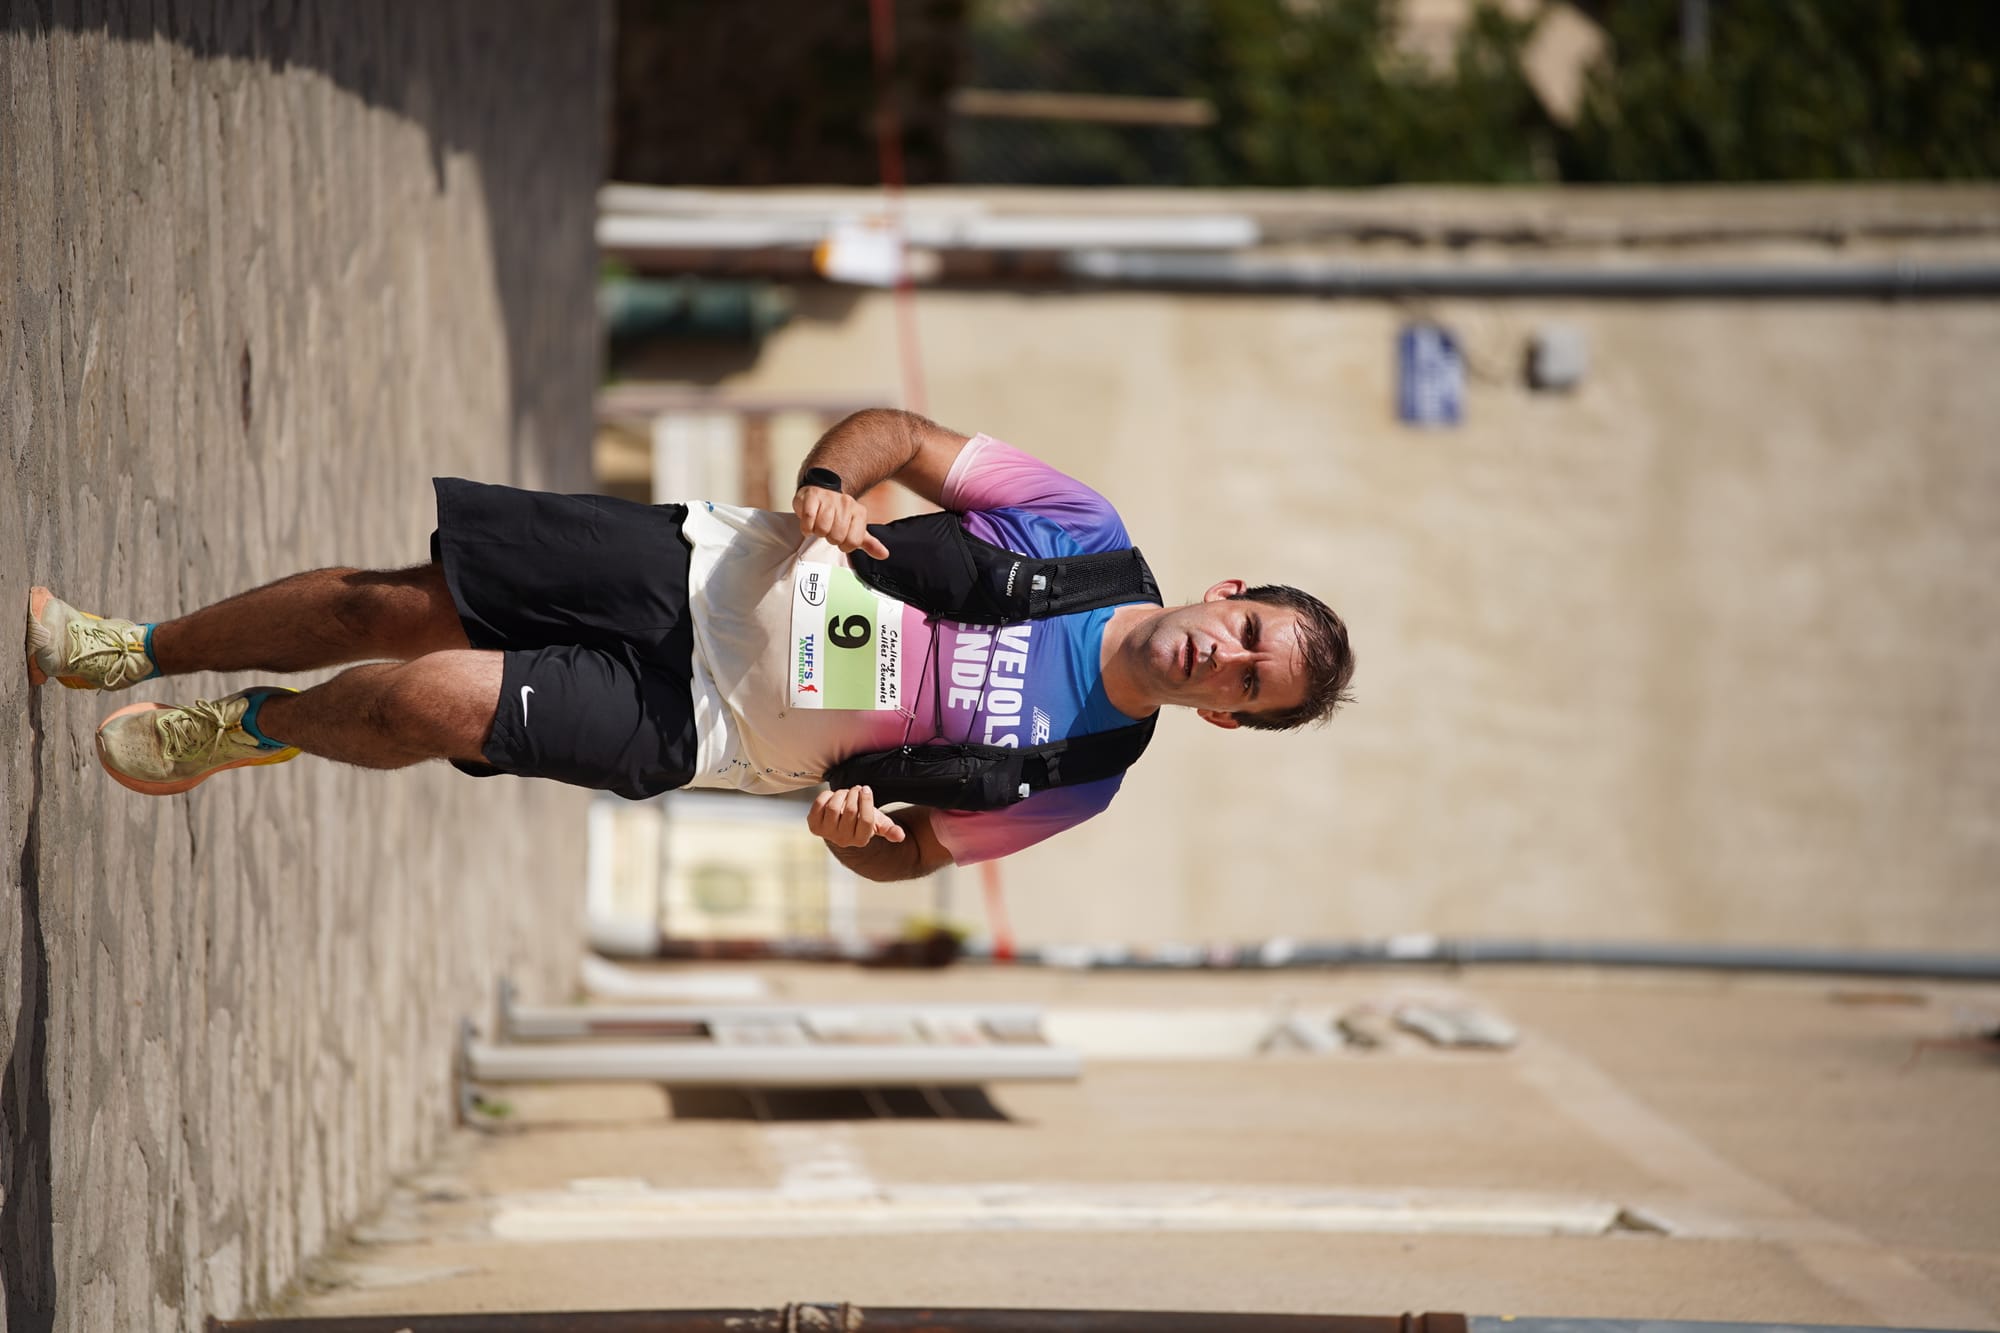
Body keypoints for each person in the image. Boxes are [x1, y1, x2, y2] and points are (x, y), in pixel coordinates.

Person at [25, 409, 1354, 880]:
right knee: (393, 607)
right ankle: (130, 646)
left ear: (1229, 720)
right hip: (706, 568)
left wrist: (857, 844)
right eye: (1246, 632)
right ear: (1226, 589)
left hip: (712, 733)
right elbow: (893, 431)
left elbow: (915, 857)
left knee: (432, 698)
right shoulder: (1085, 529)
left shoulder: (1087, 771)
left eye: (1247, 681)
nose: (1221, 658)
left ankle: (248, 727)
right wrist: (834, 478)